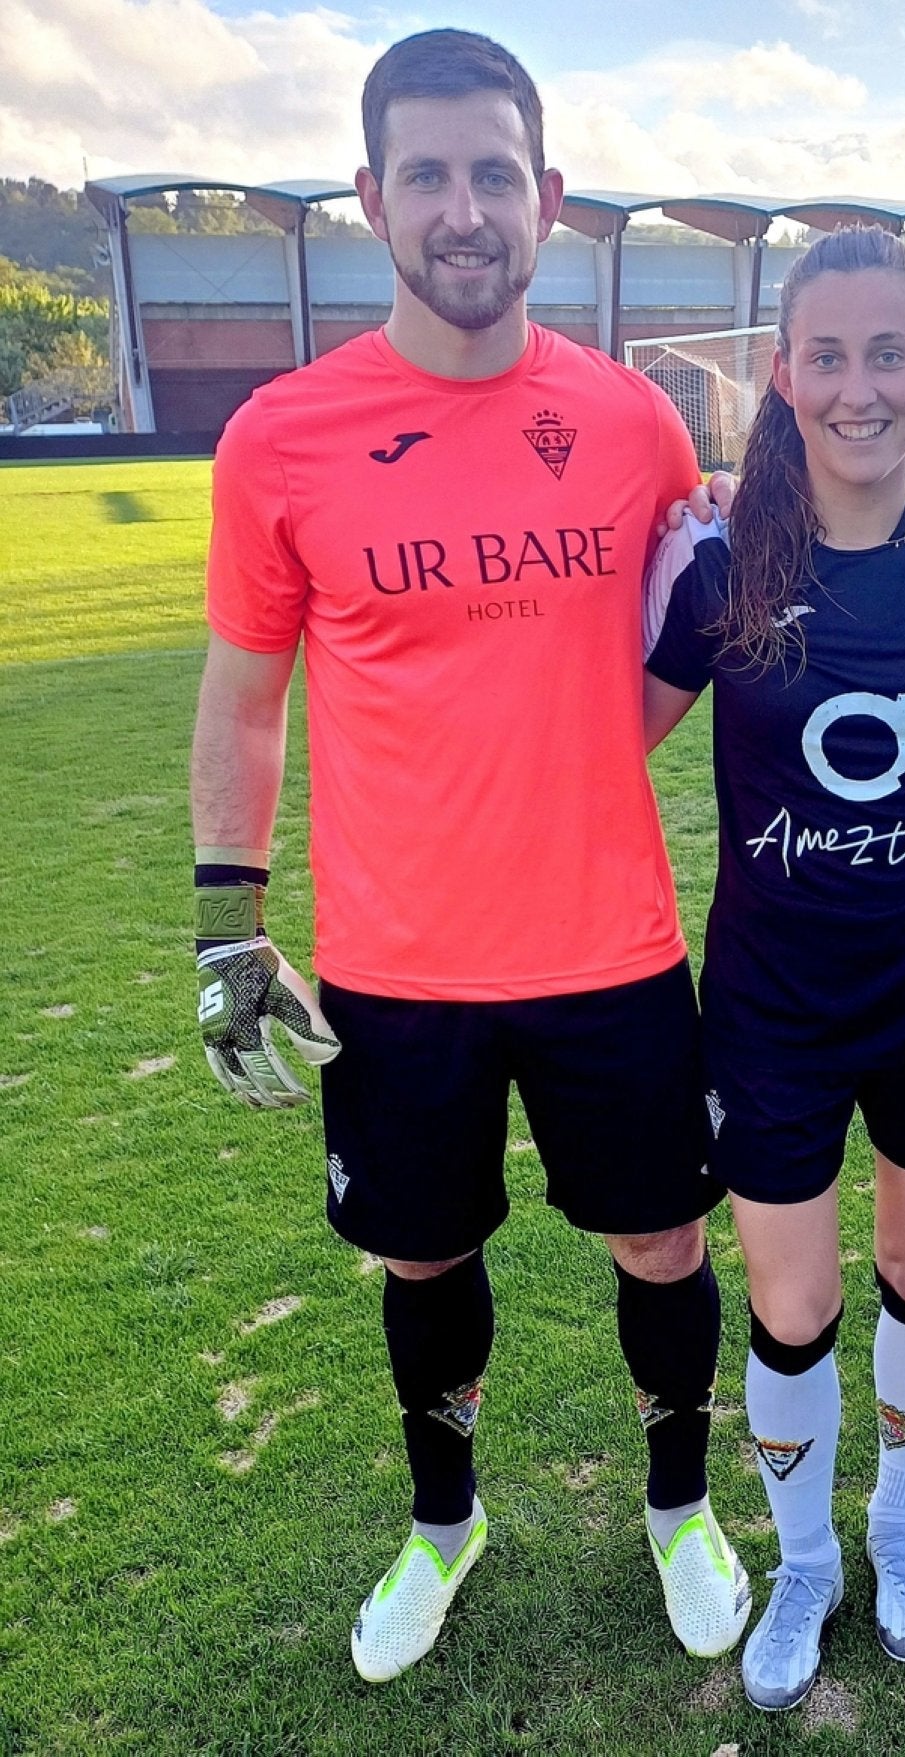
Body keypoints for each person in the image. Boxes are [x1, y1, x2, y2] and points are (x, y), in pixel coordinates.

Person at [190, 29, 751, 1684]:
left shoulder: (633, 421)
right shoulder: (282, 437)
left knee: (665, 1244)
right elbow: (244, 697)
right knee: (424, 1253)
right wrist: (229, 922)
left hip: (611, 946)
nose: (463, 209)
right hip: (396, 963)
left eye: (493, 174)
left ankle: (679, 1507)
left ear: (546, 197)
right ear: (372, 199)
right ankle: (446, 1522)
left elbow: (679, 636)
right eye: (426, 175)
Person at [642, 225, 905, 1712]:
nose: (859, 388)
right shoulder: (715, 562)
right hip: (775, 1011)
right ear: (781, 372)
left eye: (889, 354)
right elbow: (598, 741)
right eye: (828, 356)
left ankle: (896, 1526)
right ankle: (807, 1557)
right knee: (795, 1303)